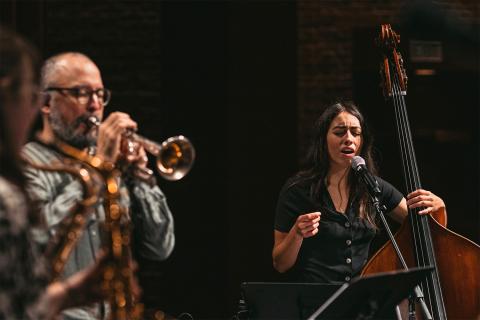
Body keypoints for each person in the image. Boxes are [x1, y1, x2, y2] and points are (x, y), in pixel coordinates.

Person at [21, 52, 175, 319]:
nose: (94, 105)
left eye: (100, 94)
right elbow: (35, 241)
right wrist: (98, 166)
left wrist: (141, 175)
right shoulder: (27, 165)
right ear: (46, 102)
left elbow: (160, 247)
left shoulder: (113, 165)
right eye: (81, 93)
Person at [0, 26, 108, 319]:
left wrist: (70, 295)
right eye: (29, 94)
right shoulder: (9, 191)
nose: (33, 106)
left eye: (99, 94)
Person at [272, 101, 446, 283]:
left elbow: (425, 232)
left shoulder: (373, 187)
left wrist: (439, 209)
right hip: (314, 303)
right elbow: (280, 264)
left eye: (356, 133)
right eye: (339, 132)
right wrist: (296, 234)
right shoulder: (297, 189)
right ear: (323, 139)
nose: (348, 138)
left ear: (362, 142)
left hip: (360, 303)